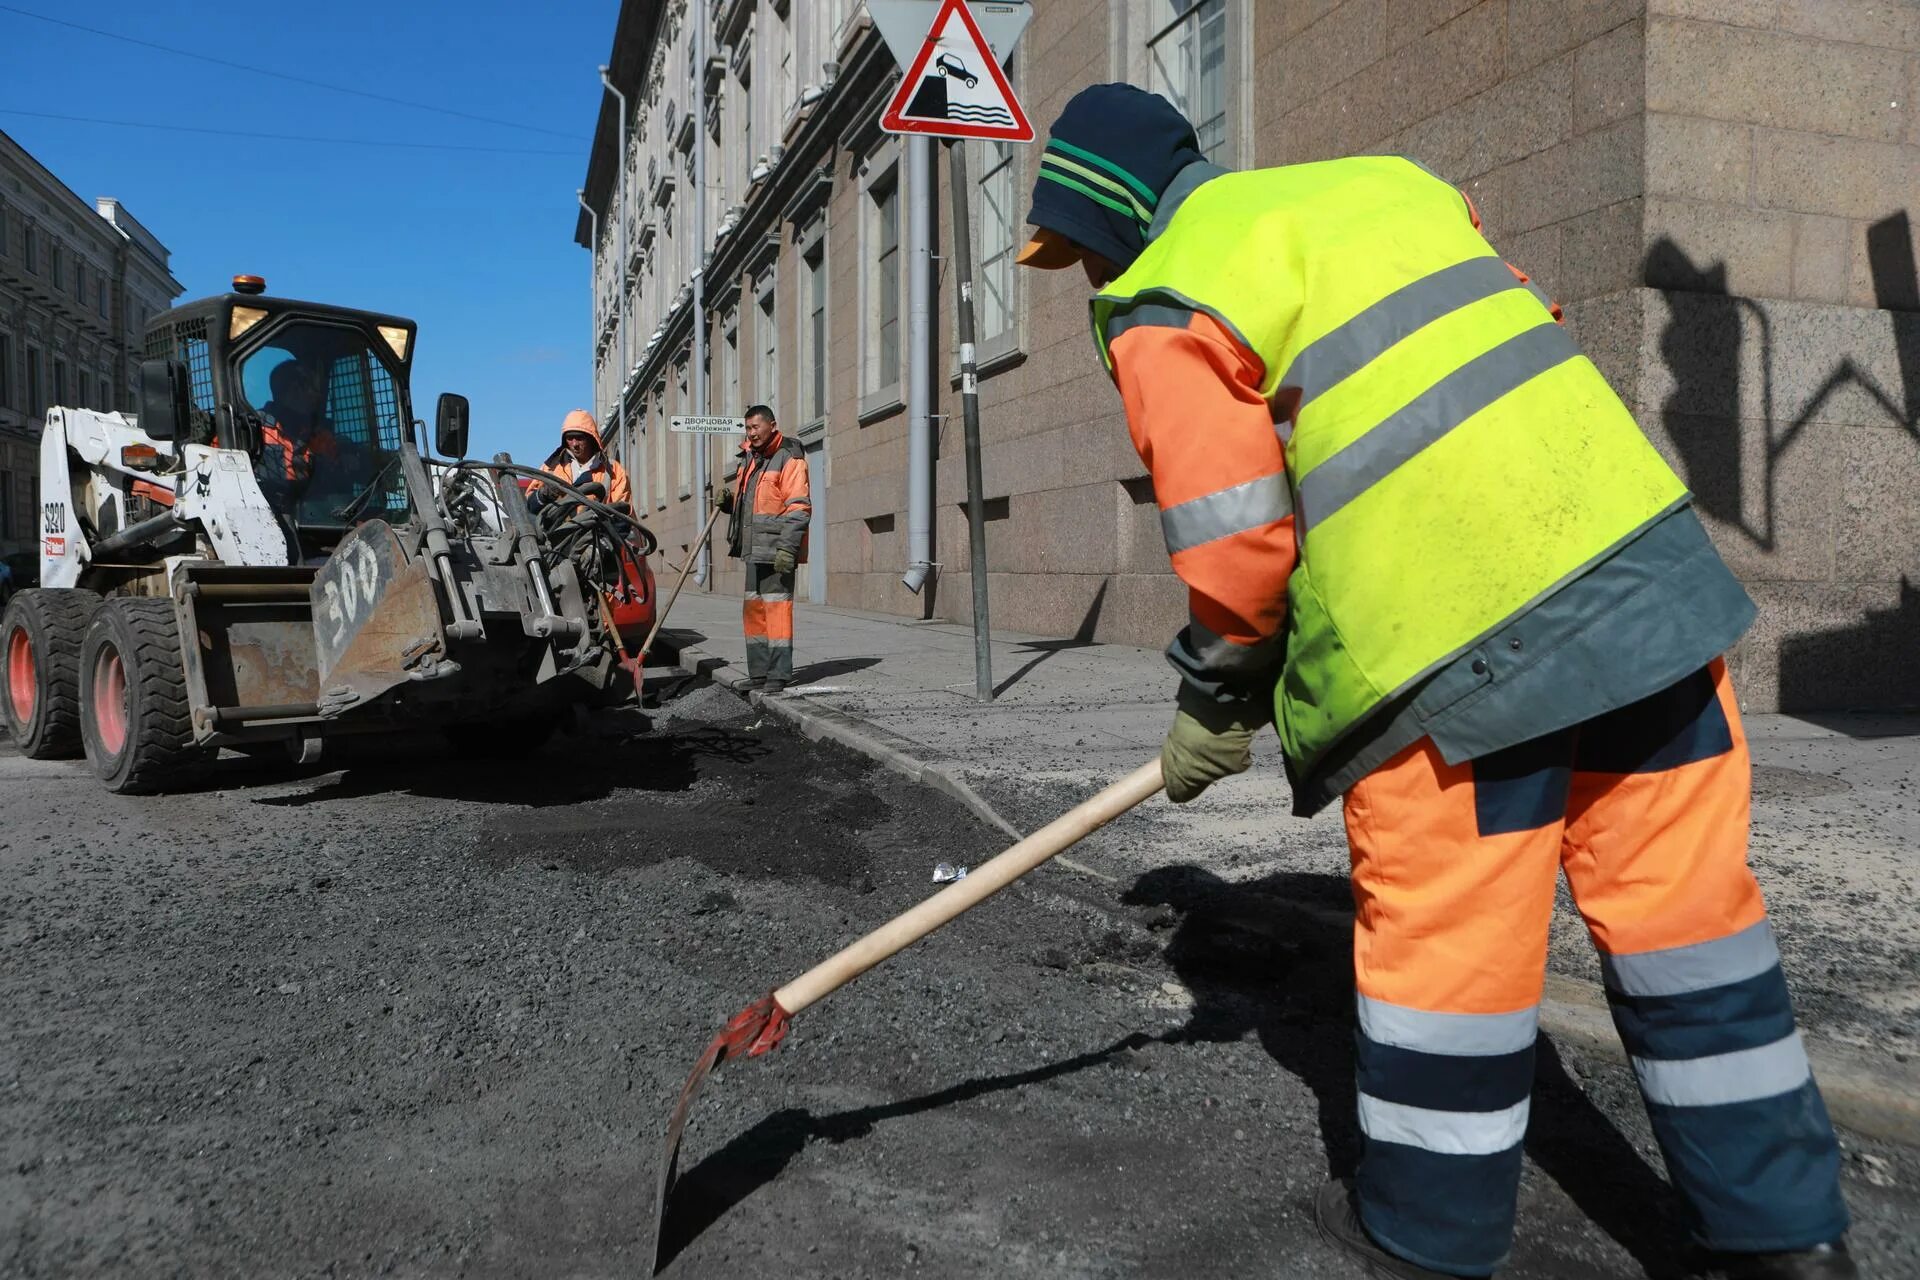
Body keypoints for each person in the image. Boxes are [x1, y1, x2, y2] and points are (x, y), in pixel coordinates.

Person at [1017, 83, 1852, 1280]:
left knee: (1451, 959)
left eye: (1080, 249)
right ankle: (1789, 1238)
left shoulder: (1165, 293)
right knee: (1693, 930)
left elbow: (1236, 542)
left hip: (1454, 658)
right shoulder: (1388, 186)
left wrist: (1215, 698)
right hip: (1643, 587)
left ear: (1116, 215)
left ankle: (1427, 1235)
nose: (1082, 276)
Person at [714, 404, 809, 693]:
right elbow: (753, 506)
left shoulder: (789, 458)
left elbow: (799, 508)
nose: (751, 433)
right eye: (748, 428)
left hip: (777, 551)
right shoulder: (750, 459)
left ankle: (778, 676)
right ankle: (758, 674)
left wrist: (787, 549)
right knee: (754, 614)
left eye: (756, 427)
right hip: (753, 550)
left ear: (772, 425)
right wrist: (730, 503)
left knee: (777, 613)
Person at [257, 356, 341, 504]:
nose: (318, 396)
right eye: (313, 388)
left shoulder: (322, 436)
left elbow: (341, 470)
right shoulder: (250, 430)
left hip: (318, 519)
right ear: (295, 389)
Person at [532, 409, 630, 508]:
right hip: (559, 523)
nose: (574, 444)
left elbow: (623, 513)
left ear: (591, 438)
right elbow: (530, 506)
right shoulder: (551, 467)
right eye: (570, 438)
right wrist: (542, 495)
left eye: (579, 438)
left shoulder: (613, 471)